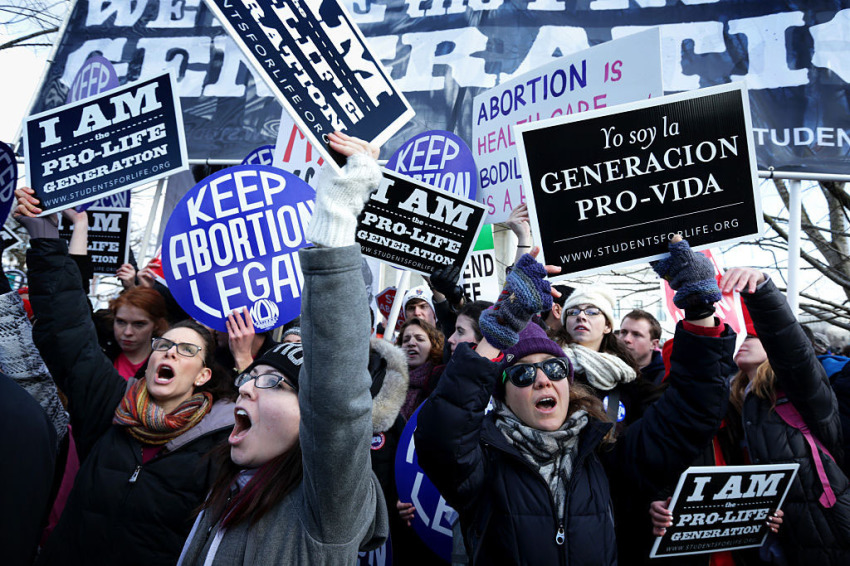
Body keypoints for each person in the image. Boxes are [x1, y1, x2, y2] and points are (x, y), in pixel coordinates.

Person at [415, 240, 736, 565]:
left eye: (554, 369)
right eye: (523, 374)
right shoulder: (483, 462)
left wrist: (699, 312)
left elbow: (689, 412)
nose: (542, 379)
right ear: (504, 395)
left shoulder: (604, 453)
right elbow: (442, 437)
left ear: (568, 386)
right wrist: (499, 332)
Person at [177, 130, 388, 564]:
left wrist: (336, 217)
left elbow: (337, 401)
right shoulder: (226, 490)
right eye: (250, 377)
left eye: (274, 382)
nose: (247, 388)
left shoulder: (328, 511)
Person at [15, 188, 237, 565]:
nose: (169, 351)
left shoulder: (222, 445)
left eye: (185, 349)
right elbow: (70, 331)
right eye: (164, 344)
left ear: (202, 376)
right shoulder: (111, 408)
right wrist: (46, 238)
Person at [722, 267, 850, 565]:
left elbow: (794, 352)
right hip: (784, 542)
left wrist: (763, 292)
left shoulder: (801, 392)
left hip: (833, 531)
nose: (745, 338)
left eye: (754, 333)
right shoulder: (739, 404)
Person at [109, 287, 169, 379]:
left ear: (156, 324)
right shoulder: (99, 355)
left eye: (139, 324)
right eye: (121, 322)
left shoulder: (167, 362)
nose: (127, 332)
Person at [396, 317, 445, 420]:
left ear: (433, 345)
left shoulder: (442, 381)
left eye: (419, 339)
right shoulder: (386, 382)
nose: (411, 343)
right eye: (406, 340)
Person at [619, 309, 665, 385]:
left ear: (653, 344)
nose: (626, 339)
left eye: (636, 334)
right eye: (624, 332)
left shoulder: (667, 381)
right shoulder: (604, 373)